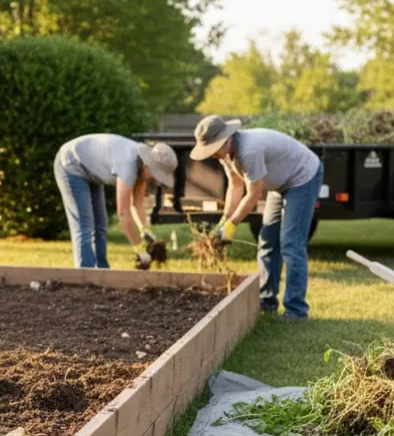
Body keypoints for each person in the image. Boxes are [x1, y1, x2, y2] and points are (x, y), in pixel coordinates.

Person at [189, 115, 324, 320]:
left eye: (213, 148)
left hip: (302, 178)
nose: (212, 154)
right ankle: (267, 301)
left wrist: (233, 224)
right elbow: (235, 186)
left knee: (291, 244)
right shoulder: (226, 155)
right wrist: (224, 220)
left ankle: (296, 310)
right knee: (267, 241)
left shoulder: (249, 150)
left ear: (227, 139)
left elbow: (253, 195)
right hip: (279, 186)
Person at [53, 134, 178, 269]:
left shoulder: (143, 170)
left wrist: (144, 229)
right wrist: (139, 249)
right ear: (148, 165)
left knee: (101, 225)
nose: (155, 178)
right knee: (85, 226)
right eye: (156, 173)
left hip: (91, 171)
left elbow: (136, 205)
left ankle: (103, 272)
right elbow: (123, 213)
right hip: (71, 164)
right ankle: (85, 275)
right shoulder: (128, 164)